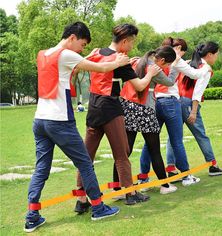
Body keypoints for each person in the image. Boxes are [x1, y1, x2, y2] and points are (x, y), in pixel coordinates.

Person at [24, 21, 130, 233]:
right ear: (72, 37)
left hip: (40, 121)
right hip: (60, 122)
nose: (82, 49)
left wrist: (84, 57)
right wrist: (118, 60)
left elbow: (66, 69)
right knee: (85, 163)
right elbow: (101, 68)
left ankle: (32, 216)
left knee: (41, 168)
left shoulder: (43, 54)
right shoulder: (66, 54)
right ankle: (98, 208)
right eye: (81, 44)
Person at [75, 23, 160, 212]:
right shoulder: (121, 60)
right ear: (124, 41)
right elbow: (139, 86)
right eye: (131, 42)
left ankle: (81, 199)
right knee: (122, 153)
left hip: (93, 107)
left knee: (86, 156)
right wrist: (151, 74)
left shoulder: (97, 52)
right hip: (111, 108)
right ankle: (130, 194)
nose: (131, 47)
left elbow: (80, 63)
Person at [139, 37, 211, 186]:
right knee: (177, 141)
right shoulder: (175, 61)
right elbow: (194, 74)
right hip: (171, 103)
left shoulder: (155, 60)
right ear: (178, 50)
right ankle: (186, 176)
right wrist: (206, 67)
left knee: (150, 142)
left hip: (155, 101)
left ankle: (143, 176)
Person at [113, 46, 180, 195]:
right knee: (154, 149)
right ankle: (165, 186)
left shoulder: (137, 61)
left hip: (127, 107)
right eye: (167, 64)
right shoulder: (154, 68)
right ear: (162, 60)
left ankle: (117, 188)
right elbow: (169, 82)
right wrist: (176, 65)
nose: (167, 67)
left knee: (125, 151)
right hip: (145, 110)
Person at [167, 41, 222, 176]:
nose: (217, 57)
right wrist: (193, 111)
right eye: (216, 55)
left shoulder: (187, 64)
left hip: (176, 100)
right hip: (188, 103)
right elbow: (197, 92)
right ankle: (212, 165)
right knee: (201, 135)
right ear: (210, 54)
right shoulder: (206, 68)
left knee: (173, 136)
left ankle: (171, 168)